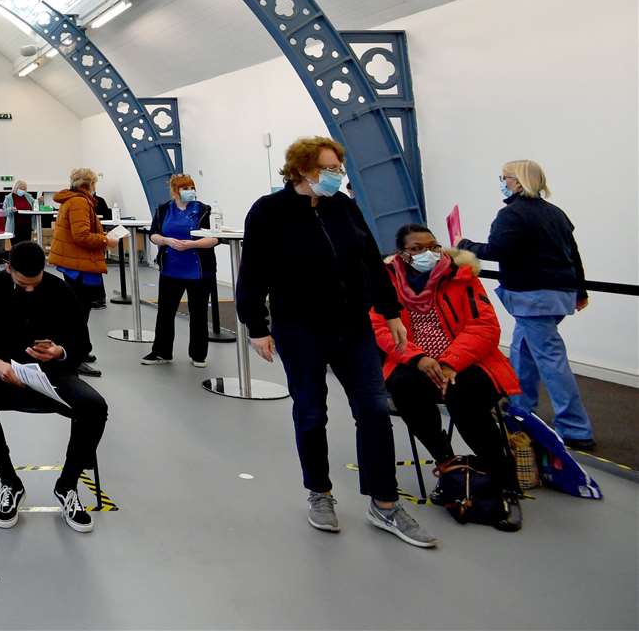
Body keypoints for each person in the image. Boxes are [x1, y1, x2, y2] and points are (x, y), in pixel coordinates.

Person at [236, 136, 436, 548]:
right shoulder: (269, 212)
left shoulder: (343, 206)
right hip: (299, 328)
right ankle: (320, 493)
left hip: (352, 326)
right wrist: (256, 325)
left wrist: (391, 309)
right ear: (303, 171)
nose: (337, 175)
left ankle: (384, 503)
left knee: (375, 409)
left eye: (338, 168)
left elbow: (369, 259)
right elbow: (253, 271)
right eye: (329, 168)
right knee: (311, 412)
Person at [372, 225, 524, 531]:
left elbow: (485, 327)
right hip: (416, 361)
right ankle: (447, 462)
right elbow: (381, 328)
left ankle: (505, 483)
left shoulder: (463, 276)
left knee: (464, 397)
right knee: (404, 387)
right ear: (401, 254)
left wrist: (450, 363)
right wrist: (417, 358)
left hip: (467, 362)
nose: (427, 253)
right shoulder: (385, 283)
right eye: (416, 248)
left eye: (433, 246)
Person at [0, 241, 105, 534]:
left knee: (94, 406)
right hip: (6, 374)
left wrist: (60, 351)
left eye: (35, 283)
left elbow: (83, 343)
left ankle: (67, 486)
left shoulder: (62, 291)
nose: (29, 289)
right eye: (21, 284)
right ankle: (9, 481)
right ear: (8, 269)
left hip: (54, 375)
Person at [457, 159, 594, 450]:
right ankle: (520, 410)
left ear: (518, 182)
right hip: (558, 295)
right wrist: (580, 291)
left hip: (532, 298)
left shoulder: (512, 215)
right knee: (522, 351)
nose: (502, 182)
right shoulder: (556, 214)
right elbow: (573, 254)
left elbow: (497, 250)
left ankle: (575, 428)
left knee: (550, 358)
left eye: (505, 177)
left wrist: (465, 245)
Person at [142, 175, 218, 367]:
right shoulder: (163, 210)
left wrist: (193, 244)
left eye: (192, 187)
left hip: (199, 270)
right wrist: (167, 241)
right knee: (166, 312)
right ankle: (162, 352)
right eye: (185, 188)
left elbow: (215, 238)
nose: (189, 191)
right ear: (175, 191)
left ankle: (199, 355)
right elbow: (154, 235)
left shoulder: (204, 210)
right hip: (170, 269)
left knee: (198, 313)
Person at [50, 168, 109, 310]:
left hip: (72, 261)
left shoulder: (70, 200)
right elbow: (81, 236)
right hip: (80, 264)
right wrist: (105, 240)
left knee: (76, 309)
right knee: (81, 310)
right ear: (89, 184)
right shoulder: (79, 202)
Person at [5, 180, 36, 245]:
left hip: (27, 226)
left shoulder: (28, 196)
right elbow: (3, 212)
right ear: (16, 188)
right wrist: (10, 209)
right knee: (16, 247)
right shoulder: (9, 198)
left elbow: (35, 205)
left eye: (24, 189)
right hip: (15, 227)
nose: (23, 190)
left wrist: (39, 201)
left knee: (27, 247)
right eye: (21, 188)